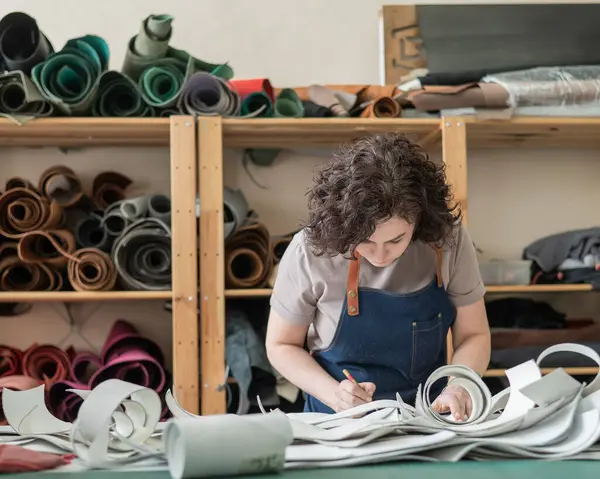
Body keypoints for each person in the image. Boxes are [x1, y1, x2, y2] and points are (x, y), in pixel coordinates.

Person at [265, 133, 491, 420]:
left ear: (420, 220)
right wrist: (336, 395)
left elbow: (474, 334)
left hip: (429, 419)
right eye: (366, 242)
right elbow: (281, 345)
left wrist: (460, 385)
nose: (381, 256)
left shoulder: (448, 241)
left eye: (396, 240)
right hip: (335, 419)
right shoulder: (309, 251)